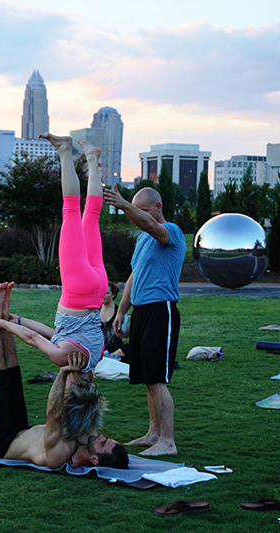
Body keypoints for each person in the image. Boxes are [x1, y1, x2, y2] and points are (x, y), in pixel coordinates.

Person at [0, 134, 107, 378]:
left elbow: (51, 332)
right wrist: (2, 325)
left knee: (91, 214)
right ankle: (65, 150)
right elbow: (33, 339)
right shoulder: (63, 358)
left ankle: (92, 160)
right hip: (78, 290)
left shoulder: (94, 355)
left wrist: (17, 318)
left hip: (97, 291)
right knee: (71, 210)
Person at [0, 283, 128, 469]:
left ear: (94, 459)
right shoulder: (86, 436)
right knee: (13, 372)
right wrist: (14, 320)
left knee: (0, 378)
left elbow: (53, 413)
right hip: (21, 428)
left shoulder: (59, 455)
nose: (99, 437)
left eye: (102, 443)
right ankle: (0, 316)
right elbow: (87, 387)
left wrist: (64, 372)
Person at [103, 185, 186, 456]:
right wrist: (121, 311)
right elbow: (133, 276)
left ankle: (168, 441)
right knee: (147, 379)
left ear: (158, 207)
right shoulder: (142, 241)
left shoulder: (171, 232)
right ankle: (153, 435)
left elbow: (152, 226)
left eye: (143, 209)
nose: (136, 215)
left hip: (161, 311)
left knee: (157, 378)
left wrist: (125, 204)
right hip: (140, 312)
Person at [100, 282, 129, 362]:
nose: (103, 296)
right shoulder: (95, 311)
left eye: (107, 293)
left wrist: (128, 323)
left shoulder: (119, 312)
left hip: (116, 349)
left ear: (113, 295)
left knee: (132, 347)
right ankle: (106, 357)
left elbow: (125, 335)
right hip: (99, 347)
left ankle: (109, 356)